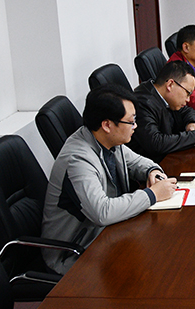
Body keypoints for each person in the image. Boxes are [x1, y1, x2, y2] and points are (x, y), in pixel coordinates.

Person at [42, 85, 177, 274]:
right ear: (107, 125)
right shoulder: (77, 159)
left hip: (108, 233)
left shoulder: (108, 140)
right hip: (76, 252)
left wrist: (152, 171)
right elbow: (102, 212)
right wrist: (152, 195)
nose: (135, 126)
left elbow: (137, 162)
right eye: (131, 121)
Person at [130, 60, 195, 162]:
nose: (188, 99)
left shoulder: (167, 97)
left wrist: (192, 123)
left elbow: (187, 111)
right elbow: (155, 143)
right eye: (187, 93)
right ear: (170, 85)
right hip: (153, 165)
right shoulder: (142, 103)